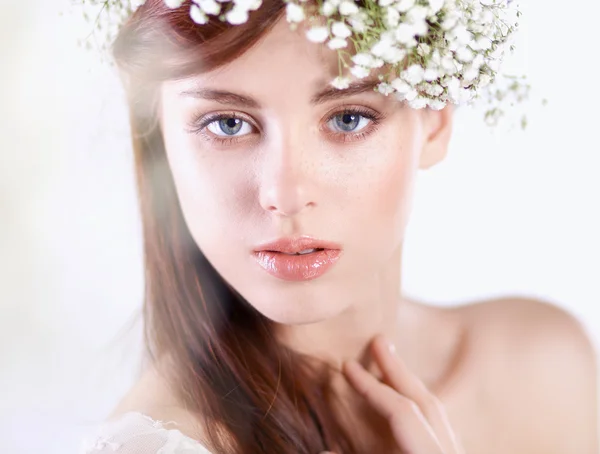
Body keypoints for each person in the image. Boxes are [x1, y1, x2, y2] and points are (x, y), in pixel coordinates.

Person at [80, 0, 599, 452]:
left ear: (435, 120)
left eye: (349, 117)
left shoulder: (547, 367)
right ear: (161, 135)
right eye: (228, 124)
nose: (285, 194)